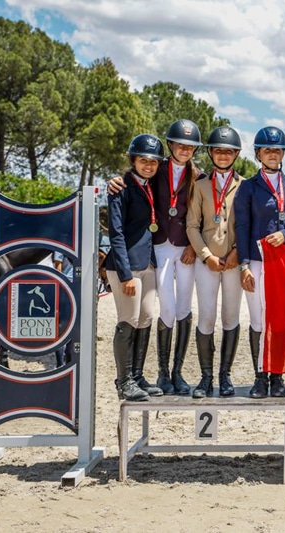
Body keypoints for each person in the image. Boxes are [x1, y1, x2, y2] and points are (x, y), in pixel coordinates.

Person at [106, 119, 204, 395]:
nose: (184, 150)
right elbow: (118, 228)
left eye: (190, 147)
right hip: (151, 253)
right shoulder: (147, 175)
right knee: (145, 315)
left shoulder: (198, 175)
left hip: (174, 251)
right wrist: (115, 179)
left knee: (155, 315)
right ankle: (138, 378)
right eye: (179, 145)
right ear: (170, 145)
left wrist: (195, 246)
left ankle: (162, 374)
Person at [186, 126, 245, 398]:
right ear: (211, 153)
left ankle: (226, 375)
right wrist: (206, 255)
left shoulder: (244, 185)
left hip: (233, 260)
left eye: (228, 151)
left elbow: (246, 224)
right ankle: (206, 377)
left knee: (230, 316)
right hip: (207, 261)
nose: (223, 156)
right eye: (218, 151)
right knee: (206, 317)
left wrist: (236, 252)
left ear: (236, 154)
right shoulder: (199, 186)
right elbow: (191, 226)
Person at [234, 127, 285, 398]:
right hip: (256, 261)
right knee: (258, 320)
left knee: (279, 320)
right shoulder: (248, 187)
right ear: (258, 153)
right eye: (267, 150)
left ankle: (278, 375)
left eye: (277, 150)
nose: (272, 154)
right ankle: (260, 375)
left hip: (283, 263)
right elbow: (242, 226)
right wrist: (244, 265)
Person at [105, 134, 164, 401]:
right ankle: (124, 381)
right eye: (143, 161)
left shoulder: (153, 186)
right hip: (125, 265)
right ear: (133, 161)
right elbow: (115, 233)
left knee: (147, 317)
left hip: (148, 262)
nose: (149, 166)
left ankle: (138, 375)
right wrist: (126, 274)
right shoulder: (121, 188)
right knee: (127, 320)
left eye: (153, 162)